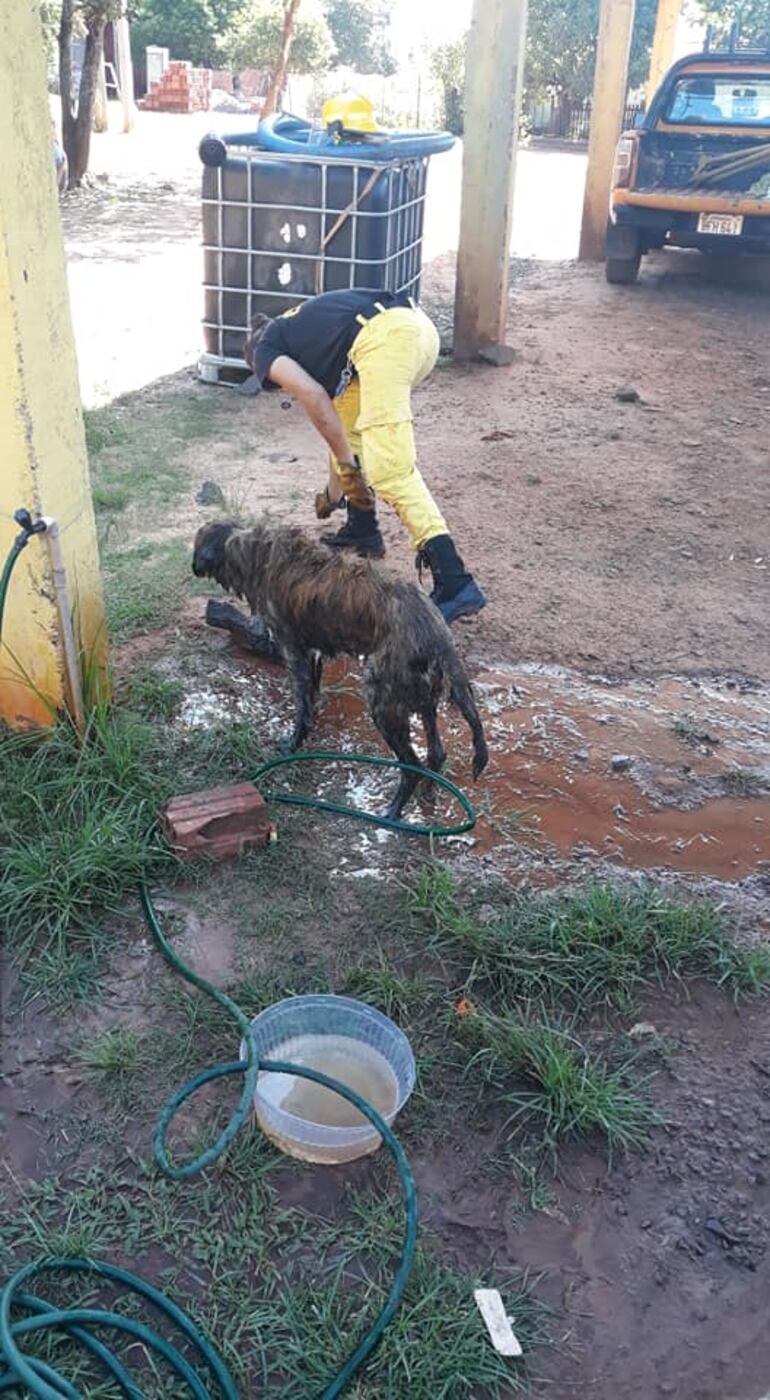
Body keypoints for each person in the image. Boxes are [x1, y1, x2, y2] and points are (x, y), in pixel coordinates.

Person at [244, 288, 486, 624]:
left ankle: (455, 581)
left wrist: (343, 465)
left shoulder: (264, 350)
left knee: (391, 471)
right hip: (415, 331)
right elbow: (336, 432)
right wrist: (332, 495)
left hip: (385, 343)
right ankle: (363, 530)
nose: (281, 386)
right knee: (349, 425)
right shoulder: (299, 329)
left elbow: (314, 398)